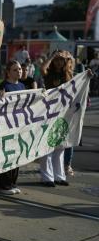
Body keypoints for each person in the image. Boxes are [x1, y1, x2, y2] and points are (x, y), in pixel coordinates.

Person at [39, 50, 73, 185]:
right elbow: (42, 68)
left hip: (63, 112)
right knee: (48, 144)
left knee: (60, 146)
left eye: (61, 60)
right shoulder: (50, 74)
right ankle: (47, 177)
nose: (59, 62)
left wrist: (68, 56)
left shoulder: (68, 74)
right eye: (57, 60)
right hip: (49, 112)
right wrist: (51, 56)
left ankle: (59, 176)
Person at [0, 60, 25, 195]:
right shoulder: (4, 85)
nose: (18, 71)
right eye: (15, 69)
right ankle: (2, 185)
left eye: (19, 69)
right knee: (6, 155)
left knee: (16, 155)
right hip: (6, 126)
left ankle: (12, 182)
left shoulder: (23, 86)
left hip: (18, 126)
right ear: (8, 72)